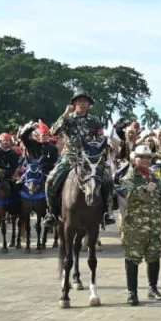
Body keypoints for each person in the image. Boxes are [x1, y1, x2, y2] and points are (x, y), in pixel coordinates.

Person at [45, 91, 110, 225]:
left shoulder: (95, 120)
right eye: (79, 101)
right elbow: (53, 132)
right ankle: (51, 213)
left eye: (85, 101)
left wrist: (97, 149)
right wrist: (64, 114)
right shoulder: (67, 119)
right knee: (50, 180)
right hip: (70, 157)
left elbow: (100, 137)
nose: (82, 104)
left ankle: (107, 212)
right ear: (74, 104)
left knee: (107, 179)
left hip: (89, 158)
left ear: (89, 104)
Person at [117, 145, 161, 305]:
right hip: (135, 227)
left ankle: (152, 289)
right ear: (135, 159)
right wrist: (145, 190)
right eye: (142, 157)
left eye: (148, 157)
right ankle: (132, 292)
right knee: (132, 259)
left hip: (153, 226)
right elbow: (129, 195)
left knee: (154, 258)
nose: (146, 160)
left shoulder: (155, 177)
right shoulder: (129, 178)